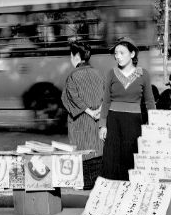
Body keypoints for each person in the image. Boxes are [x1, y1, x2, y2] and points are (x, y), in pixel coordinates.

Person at [98, 37, 157, 180]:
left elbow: (149, 102)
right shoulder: (111, 73)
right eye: (116, 53)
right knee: (112, 160)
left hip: (133, 122)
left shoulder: (143, 74)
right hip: (113, 121)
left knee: (130, 159)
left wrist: (155, 124)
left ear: (132, 54)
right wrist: (102, 125)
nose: (118, 56)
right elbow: (105, 101)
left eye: (122, 53)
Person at [61, 40, 104, 158]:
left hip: (81, 125)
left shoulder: (72, 76)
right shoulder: (98, 73)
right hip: (97, 124)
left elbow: (71, 98)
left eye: (71, 55)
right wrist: (98, 111)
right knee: (97, 155)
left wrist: (90, 112)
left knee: (83, 158)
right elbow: (106, 96)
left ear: (76, 56)